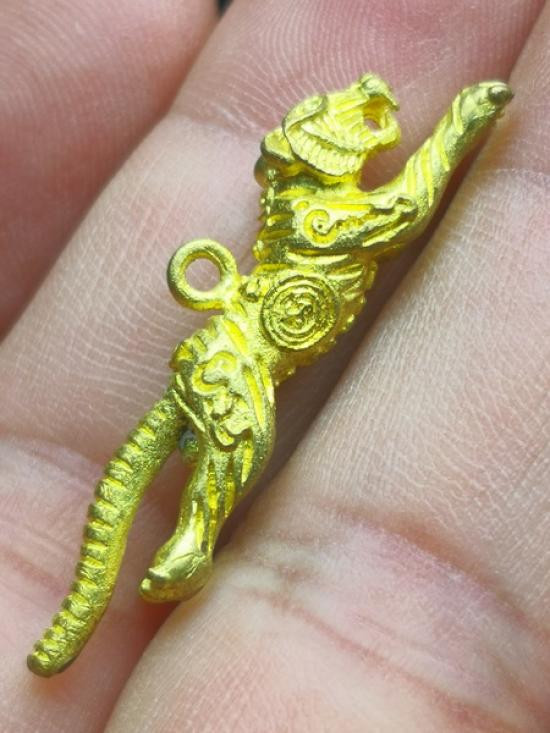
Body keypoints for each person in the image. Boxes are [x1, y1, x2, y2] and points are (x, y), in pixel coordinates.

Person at [0, 1, 548, 730]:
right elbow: (407, 210)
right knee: (243, 443)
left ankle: (178, 549)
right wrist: (457, 126)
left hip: (234, 353)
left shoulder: (313, 212)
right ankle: (190, 544)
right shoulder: (320, 218)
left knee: (226, 447)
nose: (359, 104)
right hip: (235, 362)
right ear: (317, 150)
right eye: (335, 114)